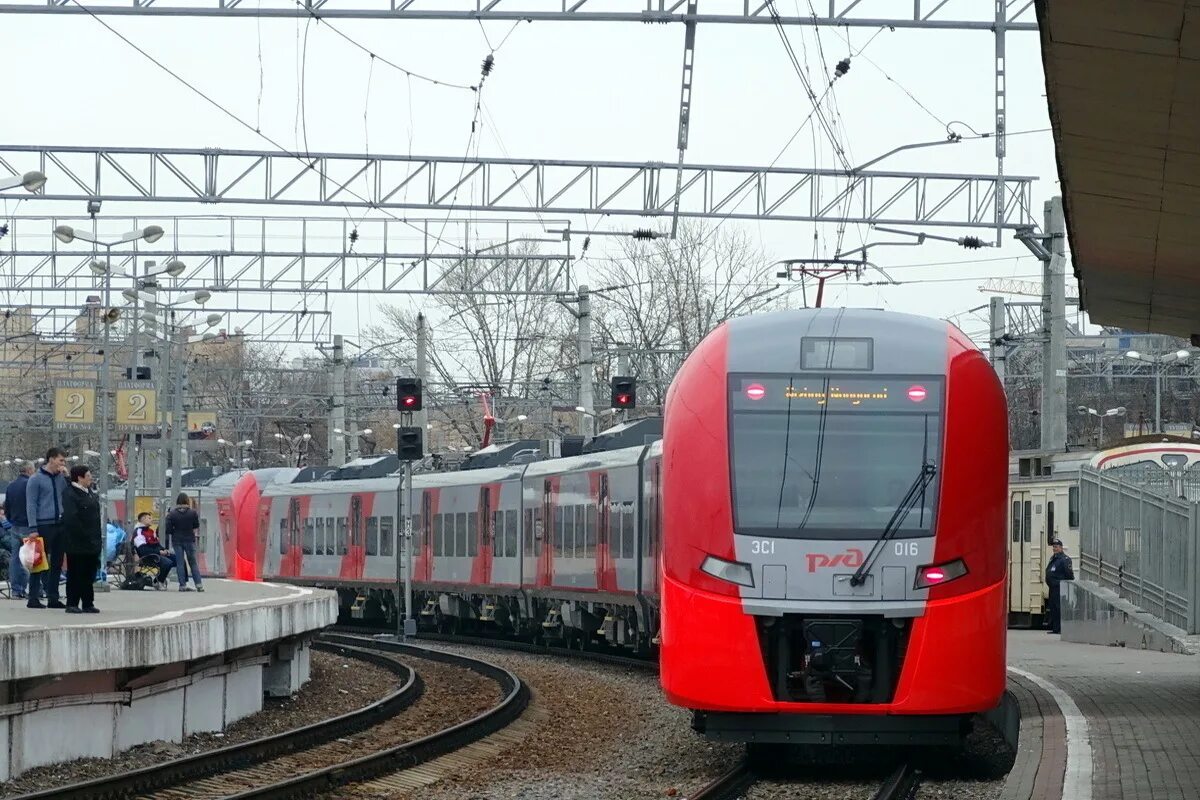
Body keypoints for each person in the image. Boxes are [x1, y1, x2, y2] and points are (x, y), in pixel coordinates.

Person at [26, 449, 69, 609]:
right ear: (51, 459)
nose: (63, 464)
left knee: (57, 562)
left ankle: (53, 597)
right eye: (61, 460)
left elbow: (69, 494)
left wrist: (67, 476)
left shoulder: (61, 478)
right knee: (38, 563)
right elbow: (31, 504)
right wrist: (33, 527)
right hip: (42, 524)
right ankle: (33, 597)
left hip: (60, 523)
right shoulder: (36, 479)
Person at [62, 464, 102, 614]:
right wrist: (84, 534)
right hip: (77, 542)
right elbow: (71, 518)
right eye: (88, 476)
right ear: (79, 478)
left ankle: (88, 602)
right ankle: (72, 602)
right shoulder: (70, 493)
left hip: (92, 541)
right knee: (76, 572)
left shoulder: (89, 492)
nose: (90, 479)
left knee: (88, 573)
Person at [4, 464, 34, 599]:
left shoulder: (11, 486)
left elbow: (7, 507)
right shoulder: (30, 484)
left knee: (15, 558)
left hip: (15, 526)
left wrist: (11, 520)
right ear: (29, 470)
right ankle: (34, 590)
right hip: (28, 525)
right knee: (31, 559)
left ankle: (16, 590)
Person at [164, 493, 203, 592]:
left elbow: (167, 529)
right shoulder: (192, 513)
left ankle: (182, 585)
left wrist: (174, 532)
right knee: (193, 563)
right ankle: (199, 584)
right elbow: (196, 525)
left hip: (177, 540)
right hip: (190, 539)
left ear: (177, 501)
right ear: (187, 501)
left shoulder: (172, 514)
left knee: (180, 563)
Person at [133, 512, 174, 588]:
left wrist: (164, 550)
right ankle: (158, 581)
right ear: (143, 519)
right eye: (149, 518)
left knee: (178, 559)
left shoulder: (151, 531)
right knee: (167, 562)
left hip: (156, 554)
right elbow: (143, 550)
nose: (152, 520)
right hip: (147, 557)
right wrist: (159, 552)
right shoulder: (138, 532)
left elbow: (157, 544)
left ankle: (184, 583)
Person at [1045, 538, 1075, 635]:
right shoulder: (1053, 558)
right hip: (1052, 589)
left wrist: (1063, 584)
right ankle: (1055, 628)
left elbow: (1069, 575)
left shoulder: (1064, 560)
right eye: (1054, 547)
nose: (1055, 549)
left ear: (1061, 548)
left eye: (1056, 547)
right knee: (1053, 608)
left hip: (1060, 588)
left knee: (1059, 608)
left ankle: (1061, 629)